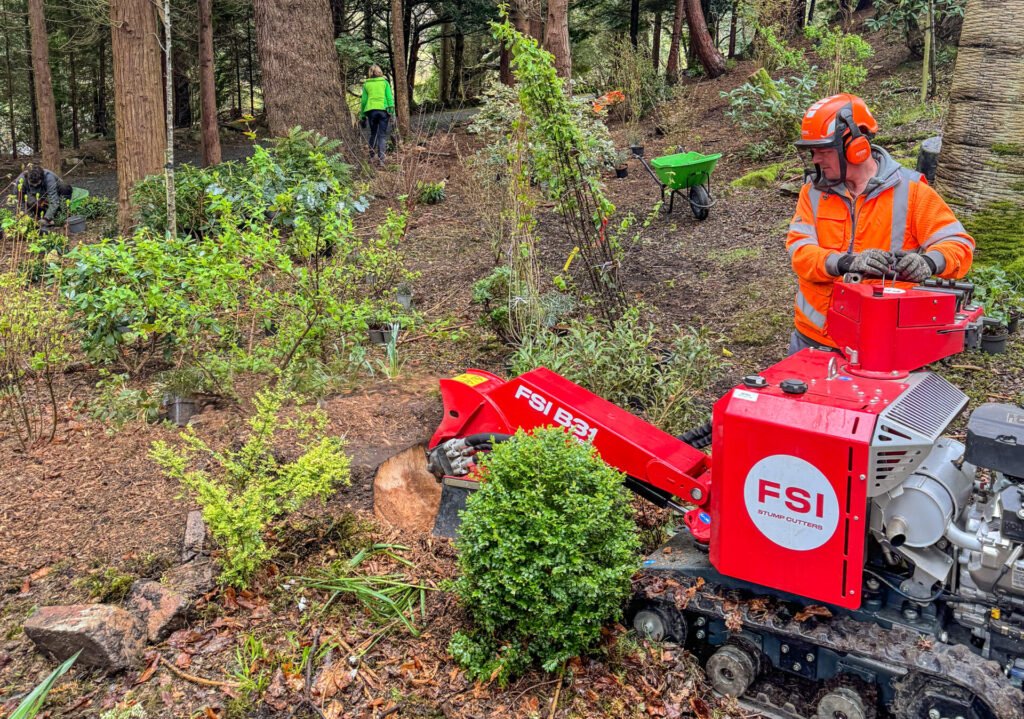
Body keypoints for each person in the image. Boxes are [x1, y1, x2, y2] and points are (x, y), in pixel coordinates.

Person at [785, 93, 975, 355]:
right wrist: (846, 262)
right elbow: (799, 252)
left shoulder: (911, 191)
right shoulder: (813, 193)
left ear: (856, 147)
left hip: (881, 340)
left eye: (824, 151)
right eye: (813, 152)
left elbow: (959, 244)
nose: (816, 160)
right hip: (813, 338)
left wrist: (929, 262)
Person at [359, 65, 396, 165]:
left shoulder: (366, 84)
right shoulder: (385, 83)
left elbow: (363, 102)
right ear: (379, 72)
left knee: (373, 133)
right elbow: (390, 99)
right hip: (383, 111)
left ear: (370, 73)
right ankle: (381, 160)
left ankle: (371, 157)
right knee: (382, 135)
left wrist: (362, 116)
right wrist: (392, 113)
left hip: (371, 111)